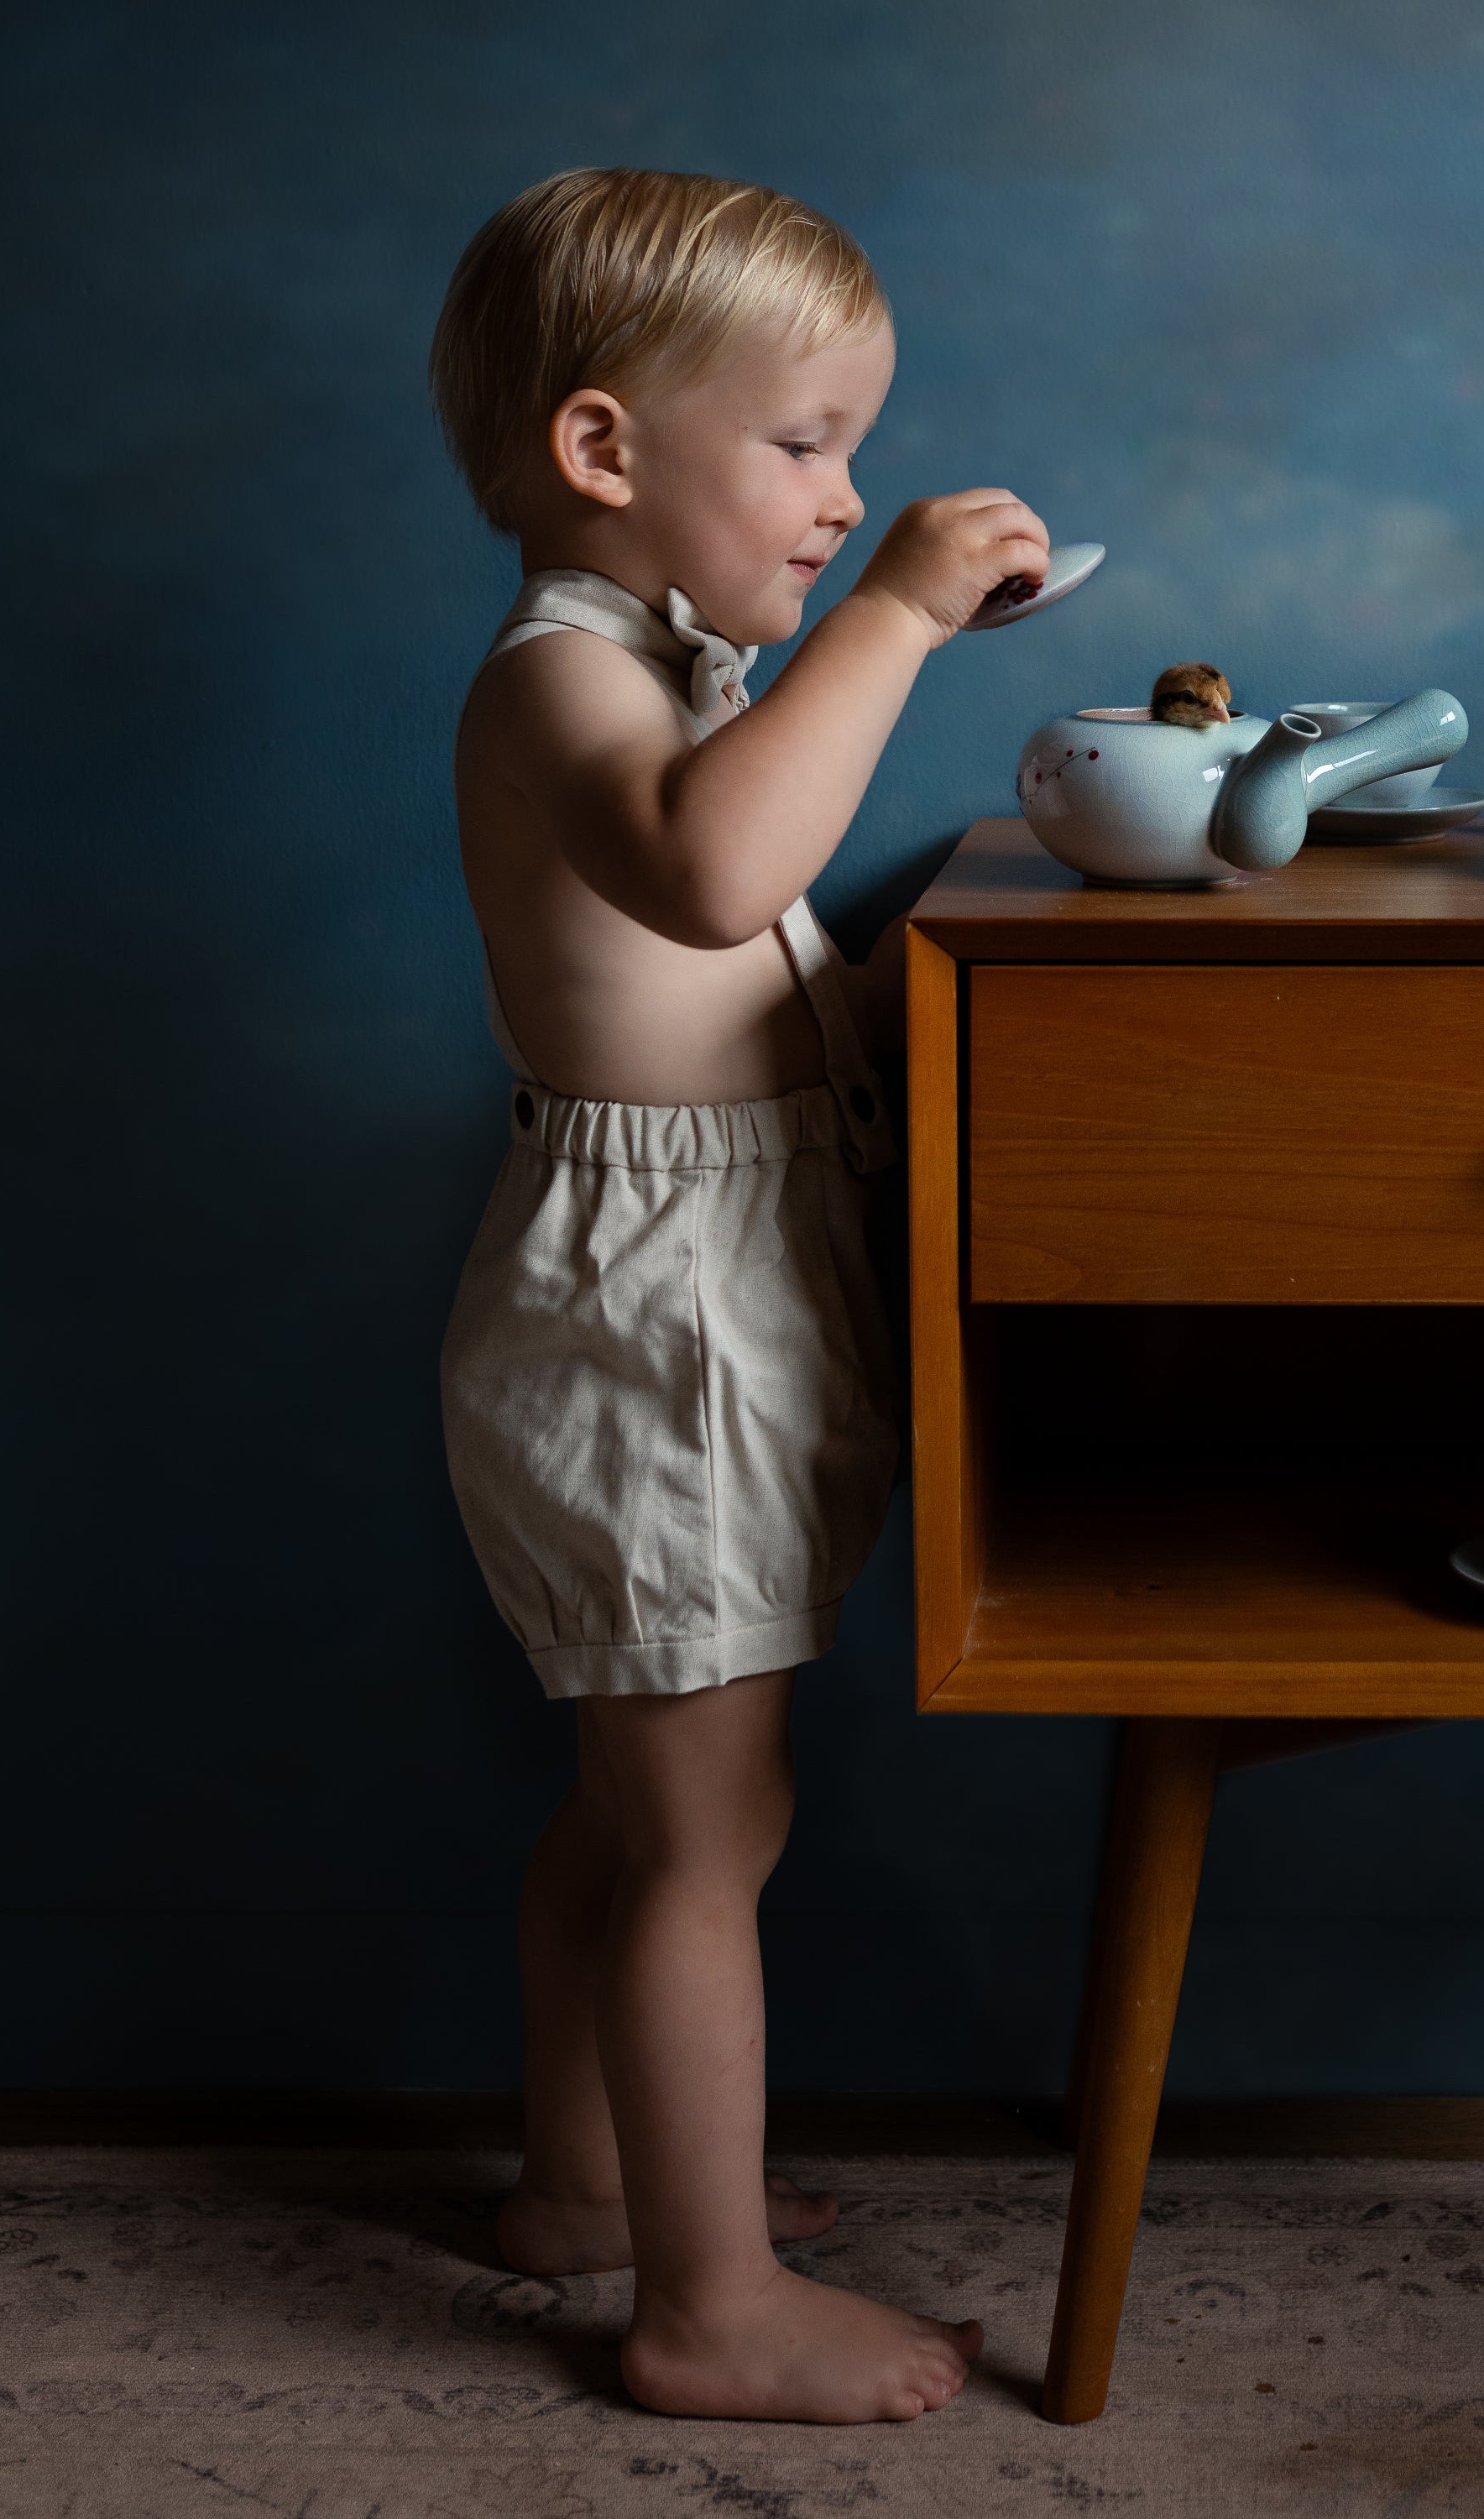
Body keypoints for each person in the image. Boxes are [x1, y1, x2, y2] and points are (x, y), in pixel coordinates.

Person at [429, 166, 1048, 2423]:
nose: (845, 499)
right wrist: (886, 620)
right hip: (654, 1320)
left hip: (712, 1286)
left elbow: (767, 984)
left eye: (858, 456)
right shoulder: (561, 692)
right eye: (806, 444)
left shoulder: (660, 677)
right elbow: (712, 875)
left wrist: (977, 915)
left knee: (654, 1805)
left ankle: (584, 2181)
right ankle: (701, 2303)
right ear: (606, 452)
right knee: (702, 1828)